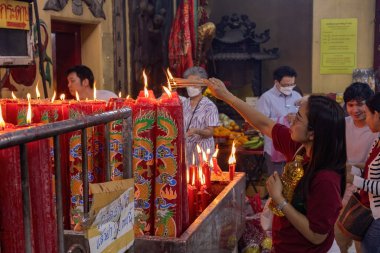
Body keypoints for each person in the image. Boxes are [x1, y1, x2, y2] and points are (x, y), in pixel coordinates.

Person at [206, 77, 346, 253]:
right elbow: (264, 123)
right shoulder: (301, 148)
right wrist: (226, 96)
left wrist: (279, 199)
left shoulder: (326, 178)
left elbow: (317, 235)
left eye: (299, 118)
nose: (292, 120)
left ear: (313, 133)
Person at [334, 82, 377, 253]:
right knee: (339, 238)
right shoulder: (341, 124)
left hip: (367, 195)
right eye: (350, 105)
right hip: (341, 189)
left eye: (360, 104)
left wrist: (350, 167)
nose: (355, 109)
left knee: (364, 243)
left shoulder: (376, 126)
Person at [346, 92, 380, 253]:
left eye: (367, 114)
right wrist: (349, 169)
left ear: (377, 115)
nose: (365, 120)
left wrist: (354, 179)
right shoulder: (378, 141)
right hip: (370, 210)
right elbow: (370, 170)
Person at [255, 66, 302, 175]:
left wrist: (297, 118)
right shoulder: (267, 98)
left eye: (292, 84)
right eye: (286, 85)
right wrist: (284, 119)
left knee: (292, 181)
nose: (289, 87)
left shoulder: (297, 96)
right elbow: (261, 122)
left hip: (293, 146)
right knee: (277, 179)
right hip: (274, 147)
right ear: (276, 82)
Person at [182, 66, 219, 166]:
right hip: (186, 153)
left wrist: (197, 131)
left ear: (202, 86)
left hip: (203, 152)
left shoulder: (209, 106)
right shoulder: (183, 104)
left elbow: (210, 132)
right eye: (188, 84)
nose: (191, 87)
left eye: (195, 84)